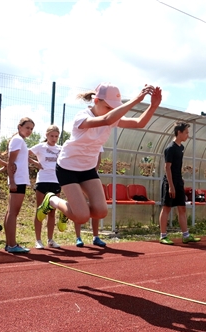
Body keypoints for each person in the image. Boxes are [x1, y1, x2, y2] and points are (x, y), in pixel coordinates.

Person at [36, 83, 162, 249]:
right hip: (67, 167)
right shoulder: (82, 117)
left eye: (113, 107)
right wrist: (136, 99)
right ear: (96, 100)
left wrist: (153, 106)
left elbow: (139, 123)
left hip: (87, 169)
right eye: (107, 106)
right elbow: (106, 119)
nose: (111, 110)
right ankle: (51, 199)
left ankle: (71, 209)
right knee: (81, 217)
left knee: (101, 212)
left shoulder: (111, 119)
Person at [159, 122, 201, 245]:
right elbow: (167, 168)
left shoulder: (181, 148)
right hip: (169, 183)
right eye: (186, 132)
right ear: (179, 132)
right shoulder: (170, 148)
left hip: (178, 181)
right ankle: (163, 236)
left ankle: (186, 235)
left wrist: (179, 180)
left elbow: (177, 166)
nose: (188, 135)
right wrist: (171, 186)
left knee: (182, 208)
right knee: (166, 208)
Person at [4, 117, 35, 253]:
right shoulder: (17, 140)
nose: (29, 131)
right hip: (18, 180)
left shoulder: (20, 140)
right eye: (27, 127)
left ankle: (9, 244)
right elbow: (10, 162)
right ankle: (12, 245)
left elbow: (20, 159)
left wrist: (36, 163)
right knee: (13, 213)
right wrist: (12, 181)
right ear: (19, 127)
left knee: (10, 212)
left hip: (19, 179)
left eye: (31, 129)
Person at [29, 125, 62, 249]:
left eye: (56, 136)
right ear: (46, 135)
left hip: (56, 181)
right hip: (43, 180)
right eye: (51, 136)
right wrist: (35, 163)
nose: (54, 138)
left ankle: (50, 240)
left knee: (52, 212)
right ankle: (38, 240)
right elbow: (24, 154)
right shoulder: (40, 147)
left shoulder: (61, 149)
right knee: (40, 210)